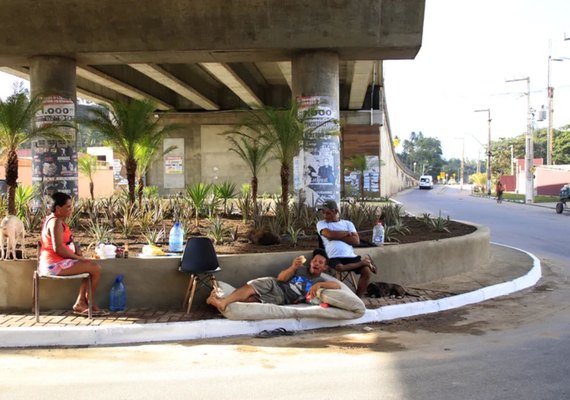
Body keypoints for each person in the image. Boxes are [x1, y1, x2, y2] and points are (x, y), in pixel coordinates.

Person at [206, 249, 340, 312]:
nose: (316, 263)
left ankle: (216, 300)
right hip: (276, 283)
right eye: (315, 260)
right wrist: (293, 267)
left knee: (250, 300)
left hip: (282, 298)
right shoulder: (300, 268)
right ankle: (223, 303)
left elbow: (337, 286)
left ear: (325, 267)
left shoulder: (320, 279)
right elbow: (281, 278)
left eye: (320, 262)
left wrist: (319, 284)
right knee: (251, 286)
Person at [39, 192, 106, 316]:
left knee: (90, 267)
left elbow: (66, 242)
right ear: (58, 209)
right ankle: (84, 302)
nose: (71, 209)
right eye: (68, 207)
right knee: (95, 269)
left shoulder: (57, 221)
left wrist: (76, 248)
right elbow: (58, 248)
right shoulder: (55, 223)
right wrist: (78, 257)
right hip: (53, 265)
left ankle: (83, 302)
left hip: (56, 262)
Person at [316, 199, 377, 298]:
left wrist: (336, 236)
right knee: (339, 268)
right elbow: (329, 235)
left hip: (350, 256)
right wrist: (346, 233)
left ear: (336, 211)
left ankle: (357, 298)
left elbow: (356, 241)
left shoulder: (348, 224)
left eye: (327, 213)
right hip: (333, 256)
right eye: (323, 213)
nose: (324, 216)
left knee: (366, 272)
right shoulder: (321, 224)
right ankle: (364, 262)